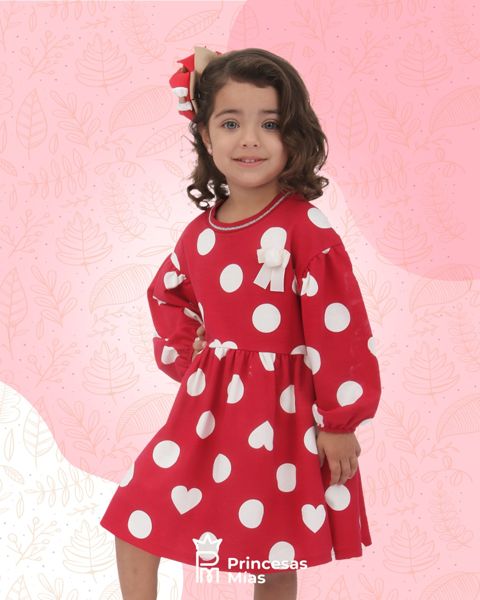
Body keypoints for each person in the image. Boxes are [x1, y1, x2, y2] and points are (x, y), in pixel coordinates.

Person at [100, 46, 382, 600]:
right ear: (206, 136)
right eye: (231, 123)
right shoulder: (200, 234)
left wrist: (339, 422)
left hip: (282, 412)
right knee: (136, 511)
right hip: (206, 408)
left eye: (269, 124)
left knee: (272, 547)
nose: (249, 139)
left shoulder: (307, 229)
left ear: (295, 136)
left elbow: (340, 328)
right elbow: (167, 293)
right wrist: (192, 351)